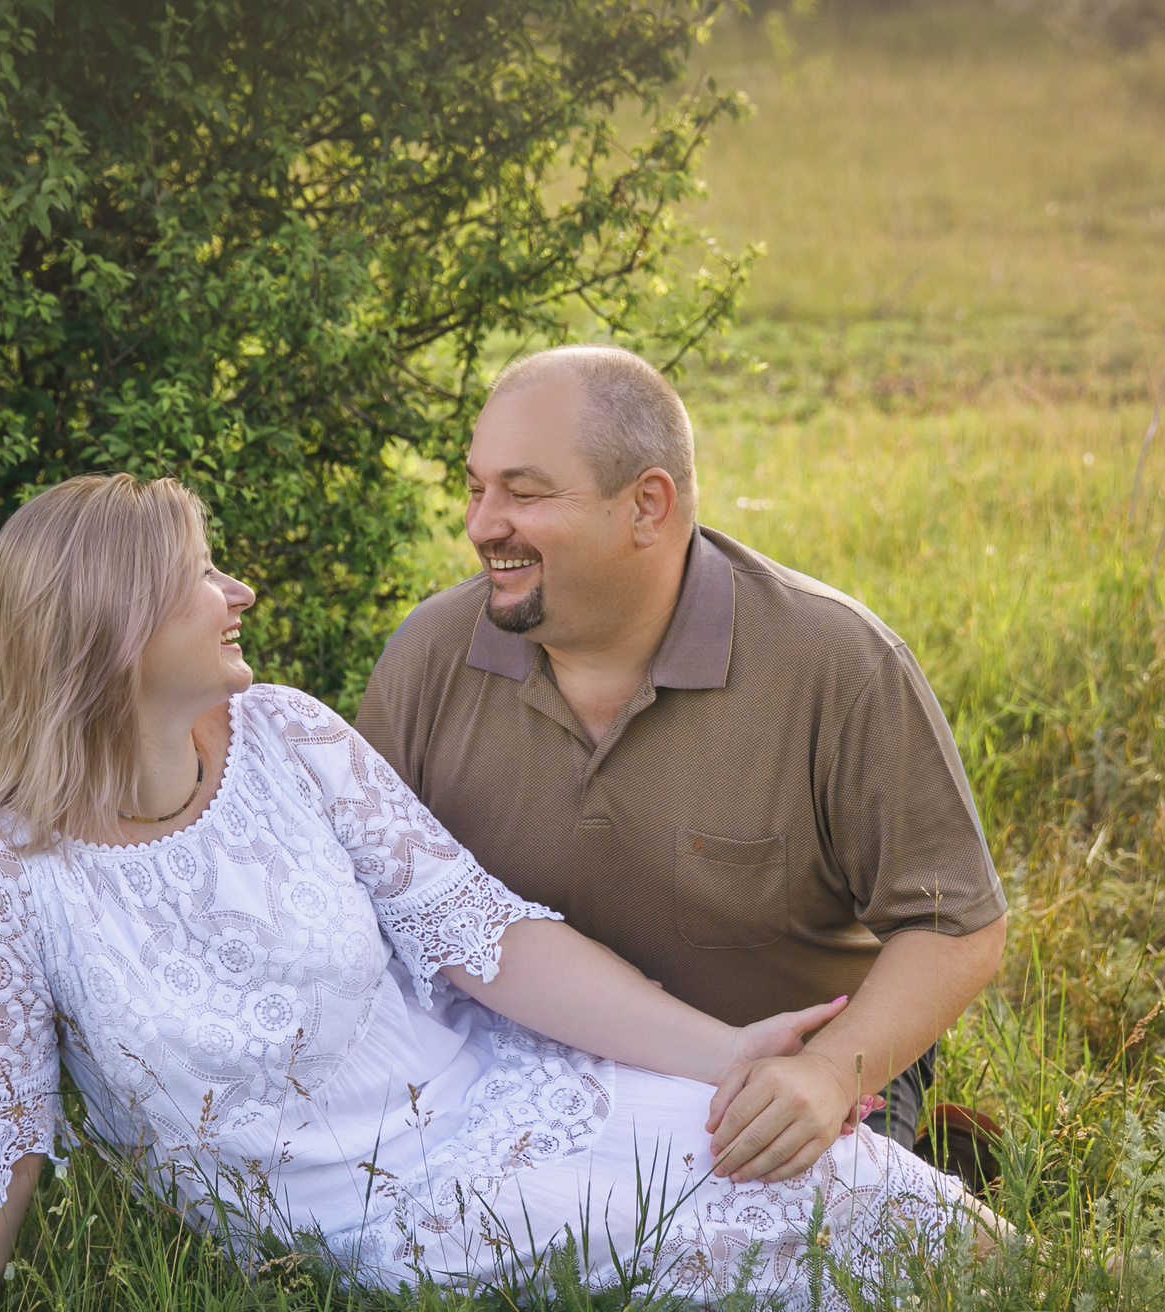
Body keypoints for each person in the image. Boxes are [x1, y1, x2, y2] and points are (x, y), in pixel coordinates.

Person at [0, 474, 998, 1312]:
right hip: (389, 1220)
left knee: (823, 1162)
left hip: (505, 1090)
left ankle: (1083, 1300)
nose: (239, 589)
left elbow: (490, 942)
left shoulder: (283, 731)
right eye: (199, 577)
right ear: (113, 629)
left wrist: (729, 1053)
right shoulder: (5, 875)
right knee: (759, 1224)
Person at [355, 345, 1009, 1192]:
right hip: (508, 1073)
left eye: (524, 492)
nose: (483, 524)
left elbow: (957, 927)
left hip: (775, 1085)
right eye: (477, 488)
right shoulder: (428, 659)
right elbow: (365, 916)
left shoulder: (836, 664)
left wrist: (829, 1073)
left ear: (647, 506)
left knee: (803, 1280)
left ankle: (915, 1147)